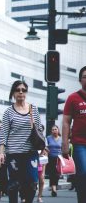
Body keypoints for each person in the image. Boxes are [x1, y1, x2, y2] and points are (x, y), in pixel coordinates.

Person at [0, 80, 42, 203]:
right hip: (14, 154)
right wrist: (2, 153)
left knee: (33, 182)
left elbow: (39, 131)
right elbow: (4, 134)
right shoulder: (8, 112)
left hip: (31, 152)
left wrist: (44, 146)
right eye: (18, 90)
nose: (21, 92)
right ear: (13, 93)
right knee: (14, 184)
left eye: (23, 90)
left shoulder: (34, 109)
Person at [62, 66, 86, 203]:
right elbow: (66, 122)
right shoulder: (73, 98)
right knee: (83, 174)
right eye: (85, 76)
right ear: (80, 80)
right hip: (80, 144)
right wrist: (65, 144)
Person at [46, 125, 62, 197]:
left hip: (59, 158)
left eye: (55, 129)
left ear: (58, 130)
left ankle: (54, 186)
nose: (54, 130)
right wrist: (47, 150)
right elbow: (45, 146)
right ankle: (54, 189)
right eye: (53, 129)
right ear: (51, 131)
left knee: (57, 174)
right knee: (52, 173)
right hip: (51, 158)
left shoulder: (61, 139)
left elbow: (63, 148)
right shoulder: (48, 138)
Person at [0, 122, 8, 200]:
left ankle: (6, 190)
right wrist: (0, 153)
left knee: (8, 175)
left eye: (1, 127)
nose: (0, 128)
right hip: (0, 156)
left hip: (9, 155)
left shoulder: (8, 132)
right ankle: (0, 191)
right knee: (1, 174)